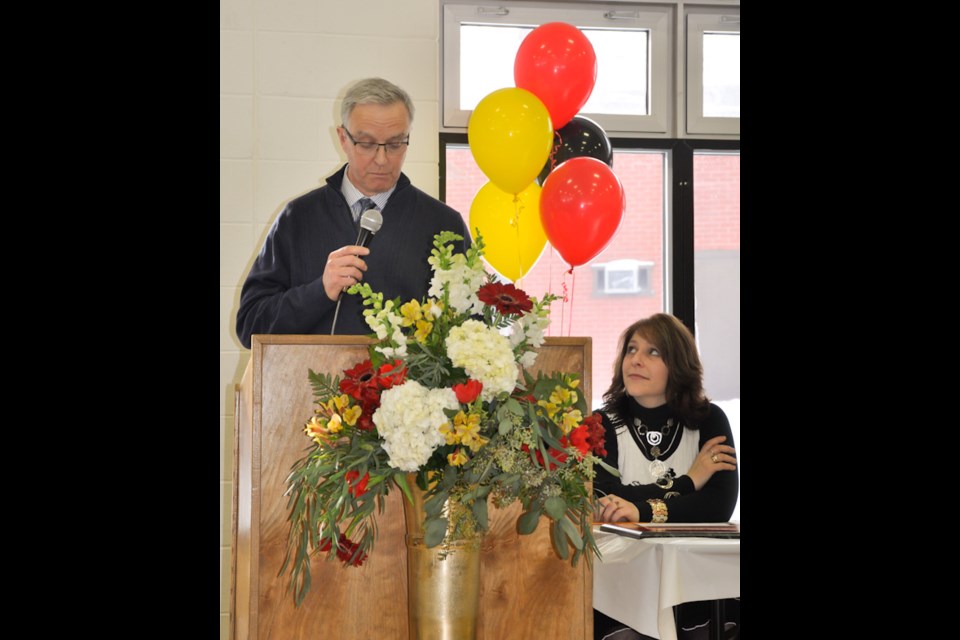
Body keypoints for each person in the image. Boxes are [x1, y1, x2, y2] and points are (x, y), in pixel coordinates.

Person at [236, 77, 470, 348]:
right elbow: (251, 326)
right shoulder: (297, 219)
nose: (382, 159)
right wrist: (320, 291)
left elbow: (471, 330)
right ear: (343, 138)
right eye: (367, 144)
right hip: (312, 387)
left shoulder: (443, 224)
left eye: (395, 144)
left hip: (412, 389)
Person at [593, 313, 739, 640]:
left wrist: (639, 511)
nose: (636, 360)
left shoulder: (710, 420)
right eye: (631, 350)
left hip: (697, 585)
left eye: (653, 352)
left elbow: (717, 507)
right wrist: (689, 482)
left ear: (679, 364)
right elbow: (605, 499)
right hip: (621, 581)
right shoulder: (601, 424)